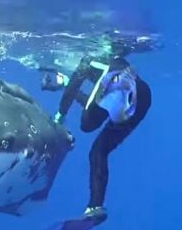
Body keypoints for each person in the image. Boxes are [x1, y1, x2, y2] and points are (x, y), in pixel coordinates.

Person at [40, 53, 152, 219]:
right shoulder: (109, 68)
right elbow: (100, 105)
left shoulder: (88, 60)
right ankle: (95, 207)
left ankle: (96, 205)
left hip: (120, 87)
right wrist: (67, 86)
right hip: (144, 96)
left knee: (87, 126)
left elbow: (78, 90)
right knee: (99, 151)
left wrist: (60, 115)